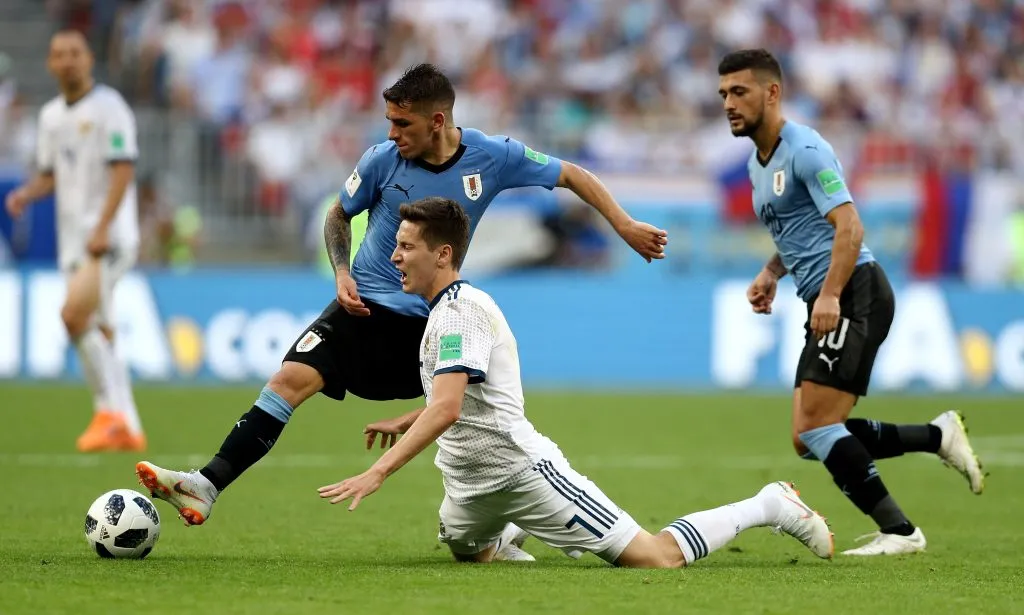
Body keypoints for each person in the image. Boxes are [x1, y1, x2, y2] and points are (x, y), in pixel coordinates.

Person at [136, 63, 668, 533]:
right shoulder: (380, 160)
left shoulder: (493, 157)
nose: (392, 135)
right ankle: (206, 485)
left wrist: (623, 225)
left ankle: (497, 522)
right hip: (359, 306)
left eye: (402, 124)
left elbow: (570, 174)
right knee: (286, 380)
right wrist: (341, 272)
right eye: (388, 122)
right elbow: (338, 214)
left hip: (424, 327)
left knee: (472, 419)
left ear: (438, 121)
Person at [318, 196, 834, 566]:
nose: (393, 256)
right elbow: (460, 393)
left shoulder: (460, 313)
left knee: (654, 557)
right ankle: (515, 529)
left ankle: (767, 503)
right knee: (470, 552)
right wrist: (410, 415)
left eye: (406, 246)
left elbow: (449, 407)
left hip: (521, 471)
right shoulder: (439, 312)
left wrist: (379, 472)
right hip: (469, 485)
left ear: (444, 254)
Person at [717, 48, 985, 556]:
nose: (729, 103)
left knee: (818, 426)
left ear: (772, 93)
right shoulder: (758, 162)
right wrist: (772, 271)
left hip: (854, 290)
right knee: (806, 436)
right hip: (825, 293)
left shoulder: (806, 149)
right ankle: (937, 436)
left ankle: (901, 532)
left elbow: (850, 224)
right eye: (724, 94)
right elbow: (800, 227)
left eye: (740, 92)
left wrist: (832, 294)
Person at [5, 30, 144, 452]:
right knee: (100, 327)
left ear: (88, 60)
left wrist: (103, 225)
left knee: (72, 316)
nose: (67, 61)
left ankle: (111, 413)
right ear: (50, 64)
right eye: (59, 54)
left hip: (108, 236)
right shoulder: (50, 117)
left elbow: (123, 168)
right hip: (73, 241)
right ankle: (124, 423)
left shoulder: (109, 108)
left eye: (75, 53)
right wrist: (27, 193)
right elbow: (52, 172)